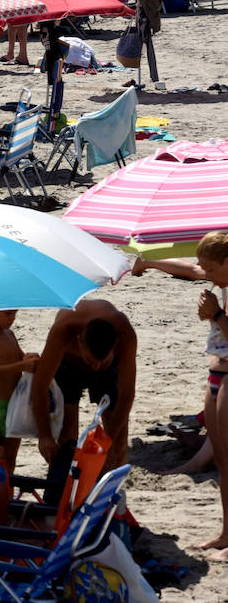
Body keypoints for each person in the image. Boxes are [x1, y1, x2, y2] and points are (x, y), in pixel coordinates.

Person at [130, 232, 228, 553]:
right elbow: (189, 269)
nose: (207, 276)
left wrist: (216, 315)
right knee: (223, 461)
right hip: (216, 373)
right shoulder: (220, 280)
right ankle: (226, 532)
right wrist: (149, 262)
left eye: (212, 270)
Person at [29, 299, 137, 470]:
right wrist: (45, 436)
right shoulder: (64, 329)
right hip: (69, 364)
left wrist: (107, 441)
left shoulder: (125, 335)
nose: (95, 367)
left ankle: (110, 488)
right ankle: (66, 488)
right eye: (90, 361)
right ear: (79, 341)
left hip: (108, 370)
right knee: (67, 439)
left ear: (115, 346)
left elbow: (126, 395)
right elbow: (40, 385)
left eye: (103, 363)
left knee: (118, 442)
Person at [0, 309, 40, 475]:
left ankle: (6, 496)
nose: (12, 318)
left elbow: (20, 358)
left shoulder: (10, 335)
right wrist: (21, 366)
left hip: (15, 406)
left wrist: (29, 359)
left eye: (14, 314)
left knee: (10, 460)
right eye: (7, 314)